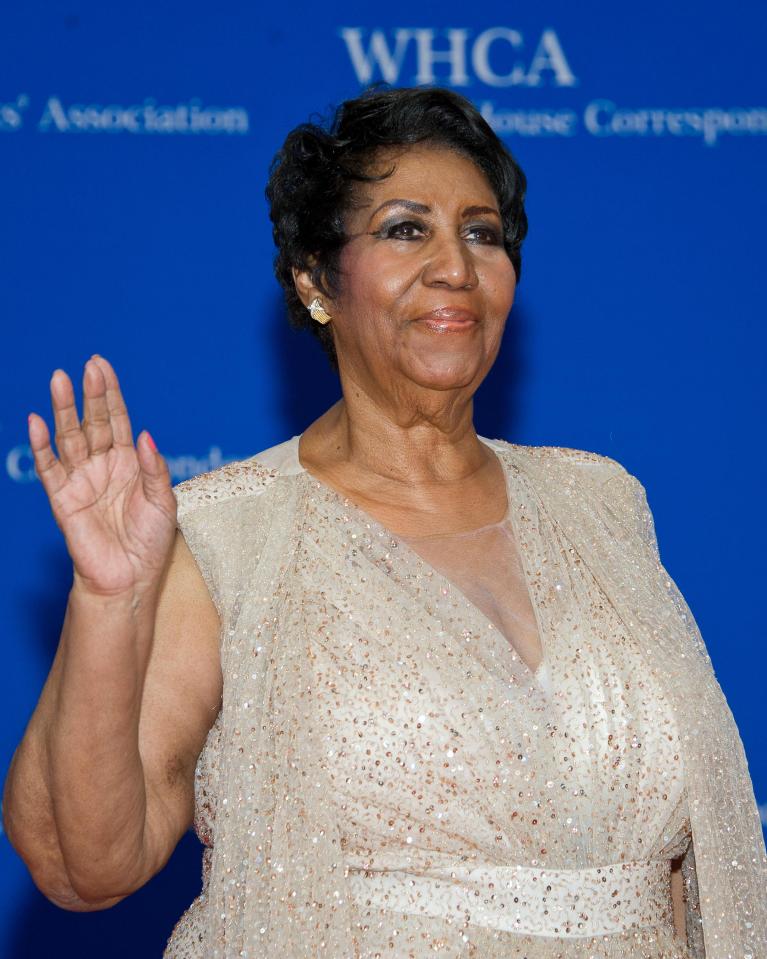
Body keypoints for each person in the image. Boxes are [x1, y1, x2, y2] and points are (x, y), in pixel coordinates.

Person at [3, 86, 765, 959]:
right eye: (407, 229)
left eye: (483, 233)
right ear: (315, 278)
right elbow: (83, 865)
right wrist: (108, 597)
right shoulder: (229, 534)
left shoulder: (600, 501)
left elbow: (673, 872)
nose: (456, 265)